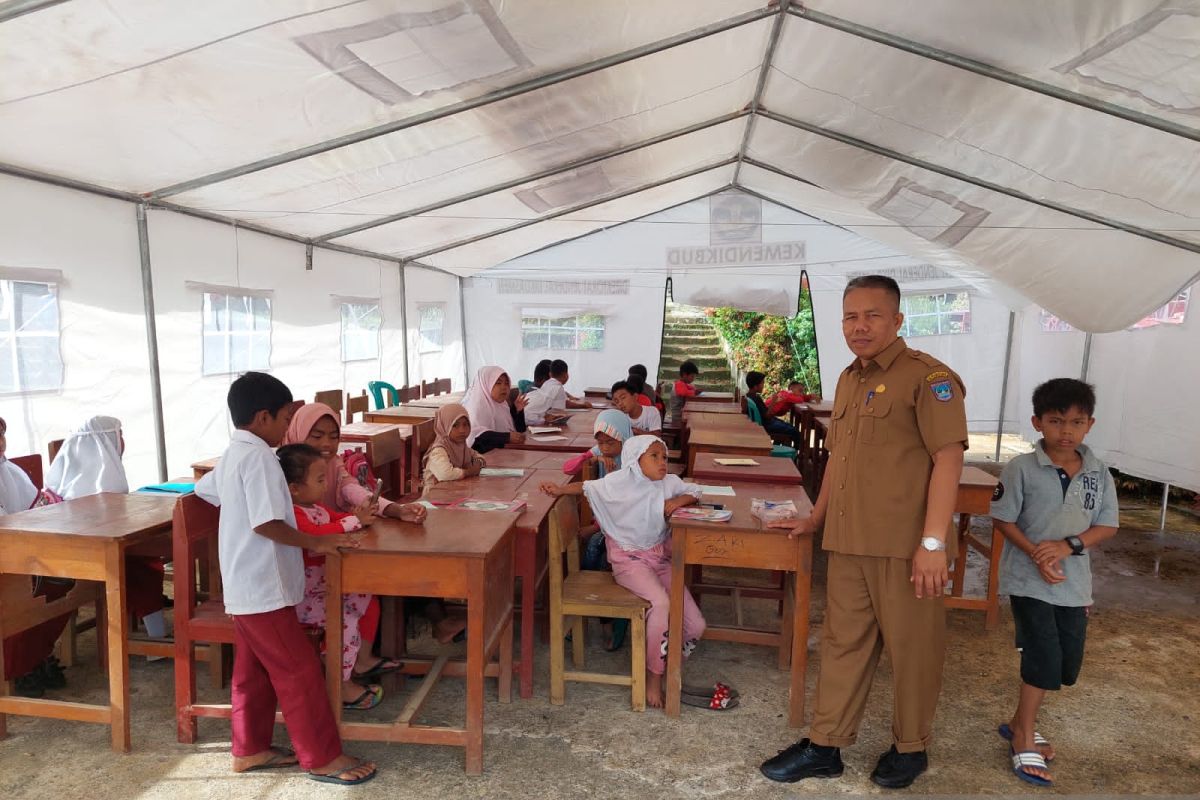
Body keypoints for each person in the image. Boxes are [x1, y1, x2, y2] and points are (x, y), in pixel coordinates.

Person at [760, 275, 967, 789]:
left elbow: (949, 461)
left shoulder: (930, 378)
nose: (860, 326)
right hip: (849, 541)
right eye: (850, 317)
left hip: (905, 546)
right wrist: (816, 516)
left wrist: (934, 543)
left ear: (898, 320)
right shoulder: (849, 379)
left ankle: (911, 747)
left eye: (872, 315)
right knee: (840, 645)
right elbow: (838, 460)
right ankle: (826, 745)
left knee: (913, 649)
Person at [194, 372, 377, 785]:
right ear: (263, 417)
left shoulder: (235, 453)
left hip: (247, 583)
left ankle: (250, 748)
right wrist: (318, 542)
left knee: (252, 673)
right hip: (262, 585)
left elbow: (206, 489)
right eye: (283, 417)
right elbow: (267, 524)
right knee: (300, 671)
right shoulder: (258, 456)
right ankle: (321, 756)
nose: (285, 426)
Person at [991, 378, 1119, 787]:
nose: (1066, 431)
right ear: (1037, 423)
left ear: (1090, 425)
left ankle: (1016, 723)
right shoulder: (1021, 469)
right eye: (1056, 421)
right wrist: (1035, 552)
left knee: (1065, 665)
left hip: (1073, 583)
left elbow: (1108, 524)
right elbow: (1003, 520)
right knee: (1043, 656)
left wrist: (1069, 546)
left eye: (1076, 422)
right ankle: (1024, 736)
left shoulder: (1099, 473)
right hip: (1028, 581)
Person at [541, 436, 708, 708]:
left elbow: (697, 490)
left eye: (664, 457)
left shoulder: (669, 484)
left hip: (659, 559)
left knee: (696, 626)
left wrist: (681, 500)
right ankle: (653, 678)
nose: (662, 462)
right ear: (635, 459)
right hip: (628, 561)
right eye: (654, 456)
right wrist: (559, 490)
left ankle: (666, 664)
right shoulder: (618, 483)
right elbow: (586, 487)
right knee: (661, 604)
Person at [278, 444, 402, 711]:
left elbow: (339, 519)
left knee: (366, 595)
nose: (325, 486)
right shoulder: (293, 515)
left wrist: (359, 517)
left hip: (325, 586)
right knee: (344, 621)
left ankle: (358, 659)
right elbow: (319, 534)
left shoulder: (316, 507)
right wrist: (354, 521)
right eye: (320, 480)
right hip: (304, 597)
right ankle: (340, 685)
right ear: (294, 488)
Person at [47, 416, 169, 642]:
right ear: (104, 441)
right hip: (88, 555)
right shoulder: (102, 482)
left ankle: (153, 628)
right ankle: (156, 637)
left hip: (98, 548)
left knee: (141, 555)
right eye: (119, 434)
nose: (122, 440)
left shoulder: (71, 475)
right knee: (144, 561)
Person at [0, 416, 69, 698]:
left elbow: (36, 512)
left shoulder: (9, 471)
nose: (1, 442)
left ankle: (34, 656)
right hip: (9, 559)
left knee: (65, 582)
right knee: (21, 593)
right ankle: (17, 666)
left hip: (16, 552)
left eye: (2, 434)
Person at [561, 409, 634, 651]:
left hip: (627, 526)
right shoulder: (603, 450)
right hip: (605, 522)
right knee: (594, 552)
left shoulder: (633, 462)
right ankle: (586, 609)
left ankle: (610, 619)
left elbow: (622, 507)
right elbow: (568, 468)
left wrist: (593, 528)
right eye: (600, 442)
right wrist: (590, 458)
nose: (604, 447)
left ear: (623, 439)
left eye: (610, 443)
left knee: (601, 555)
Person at [282, 402, 427, 524]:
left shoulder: (334, 463)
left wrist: (397, 510)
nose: (326, 444)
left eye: (334, 437)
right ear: (298, 433)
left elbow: (352, 490)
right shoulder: (283, 471)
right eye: (317, 436)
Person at [462, 366, 528, 454]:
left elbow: (519, 431)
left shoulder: (502, 405)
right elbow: (475, 441)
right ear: (486, 384)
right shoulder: (476, 408)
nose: (504, 387)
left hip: (504, 455)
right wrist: (506, 437)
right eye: (498, 383)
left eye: (506, 383)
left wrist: (518, 411)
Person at [421, 403, 486, 488]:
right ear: (445, 426)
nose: (462, 430)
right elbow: (445, 474)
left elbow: (478, 456)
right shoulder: (439, 450)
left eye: (465, 424)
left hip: (454, 490)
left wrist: (478, 463)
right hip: (435, 495)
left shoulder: (462, 446)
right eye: (455, 425)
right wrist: (469, 472)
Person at [745, 371, 801, 447]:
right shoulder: (756, 398)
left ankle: (777, 448)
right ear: (755, 386)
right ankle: (796, 453)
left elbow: (764, 412)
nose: (763, 385)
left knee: (788, 426)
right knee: (794, 431)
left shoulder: (750, 397)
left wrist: (775, 402)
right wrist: (773, 401)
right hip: (766, 425)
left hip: (766, 423)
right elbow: (768, 415)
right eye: (762, 383)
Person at [524, 359, 588, 424]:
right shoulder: (558, 387)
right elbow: (563, 406)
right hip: (530, 418)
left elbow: (545, 404)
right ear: (566, 375)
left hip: (524, 412)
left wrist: (549, 415)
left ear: (550, 374)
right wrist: (584, 405)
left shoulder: (547, 383)